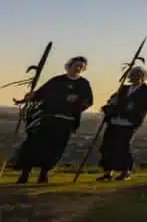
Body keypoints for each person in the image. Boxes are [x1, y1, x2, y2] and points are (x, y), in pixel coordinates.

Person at [12, 56, 93, 184]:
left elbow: (88, 101)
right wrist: (28, 97)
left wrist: (77, 101)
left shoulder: (83, 84)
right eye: (76, 65)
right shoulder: (57, 80)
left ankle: (44, 174)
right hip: (47, 118)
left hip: (65, 121)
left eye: (81, 67)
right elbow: (41, 93)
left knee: (54, 149)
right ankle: (25, 173)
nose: (78, 68)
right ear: (69, 65)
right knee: (33, 145)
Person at [96, 65, 147, 182]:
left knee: (123, 147)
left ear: (144, 77)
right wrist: (111, 101)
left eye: (139, 75)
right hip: (114, 121)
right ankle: (108, 172)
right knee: (108, 146)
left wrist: (136, 107)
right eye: (134, 75)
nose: (136, 77)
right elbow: (113, 99)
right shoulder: (123, 88)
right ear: (130, 76)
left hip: (129, 122)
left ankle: (125, 172)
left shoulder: (146, 90)